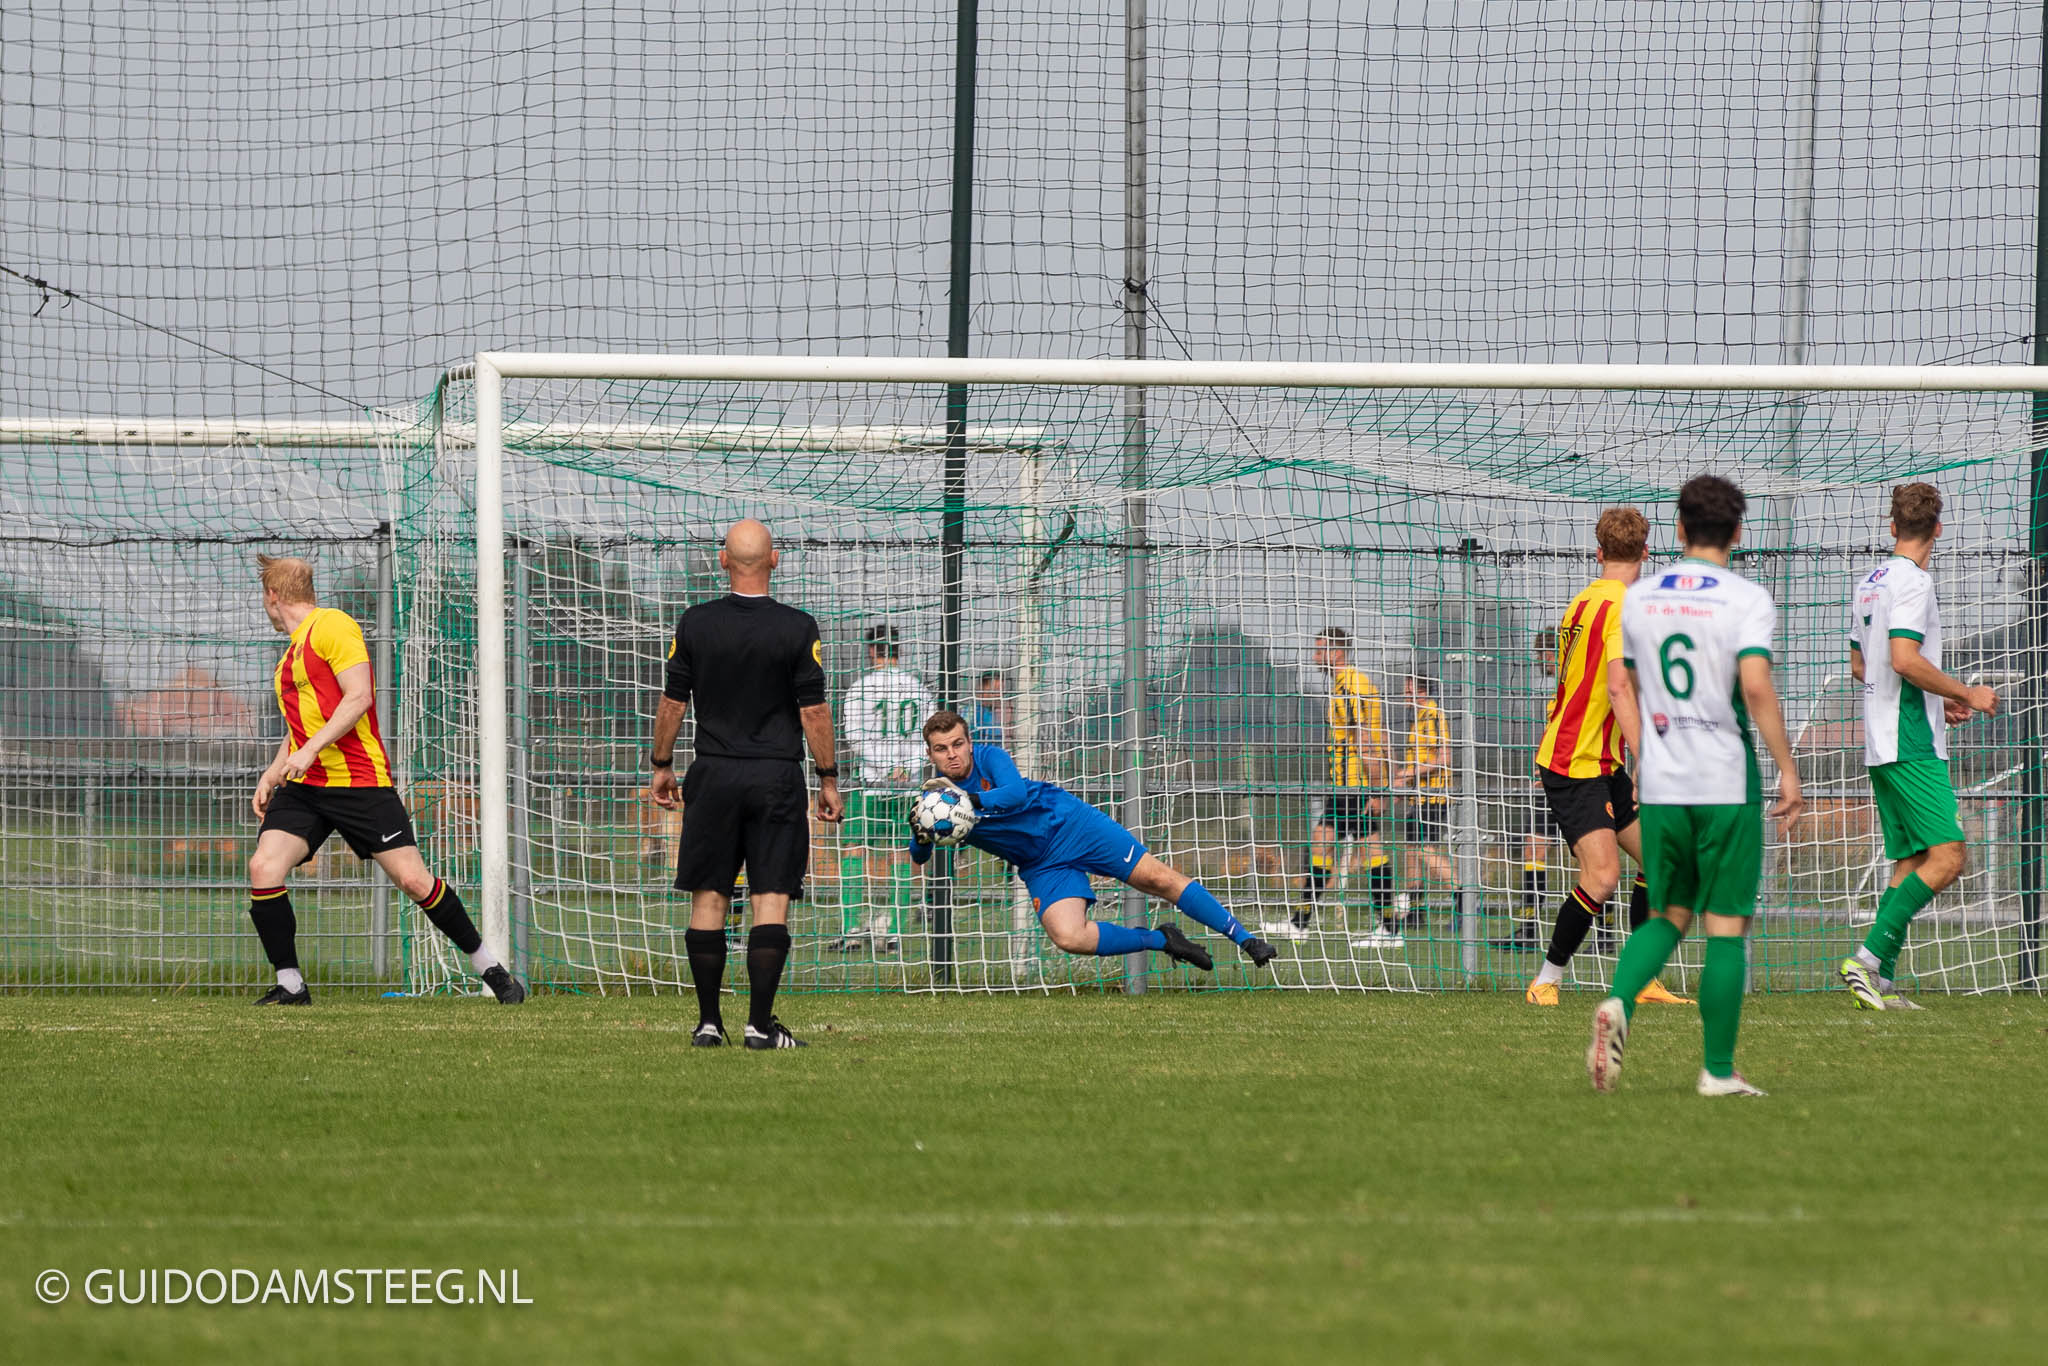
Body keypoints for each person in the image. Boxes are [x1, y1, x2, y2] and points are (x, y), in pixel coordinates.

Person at [1586, 476, 1804, 1098]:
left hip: (1661, 781)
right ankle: (1717, 1071)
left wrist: (1645, 752)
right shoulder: (1746, 598)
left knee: (1668, 914)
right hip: (1724, 779)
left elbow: (1626, 686)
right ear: (1736, 532)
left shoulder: (1640, 599)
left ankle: (1619, 999)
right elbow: (1755, 686)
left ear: (1678, 528)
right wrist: (1788, 768)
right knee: (1726, 925)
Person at [246, 555, 523, 1005]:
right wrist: (275, 770)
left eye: (264, 596)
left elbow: (359, 697)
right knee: (263, 868)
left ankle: (489, 967)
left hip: (360, 782)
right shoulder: (290, 657)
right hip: (306, 789)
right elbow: (304, 726)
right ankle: (291, 986)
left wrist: (310, 750)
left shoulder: (333, 625)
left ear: (272, 595)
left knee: (414, 880)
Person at [650, 520, 843, 1050]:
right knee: (770, 897)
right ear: (774, 560)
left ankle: (709, 1024)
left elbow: (673, 702)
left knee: (709, 896)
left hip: (713, 774)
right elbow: (814, 712)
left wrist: (661, 763)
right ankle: (759, 1026)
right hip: (775, 777)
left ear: (723, 561)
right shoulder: (798, 627)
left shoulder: (695, 622)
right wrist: (828, 778)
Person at [911, 711, 1277, 970]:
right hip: (1041, 863)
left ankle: (1247, 940)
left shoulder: (990, 758)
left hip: (1070, 824)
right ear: (930, 754)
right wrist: (922, 833)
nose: (952, 754)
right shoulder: (934, 802)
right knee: (1069, 937)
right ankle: (1163, 940)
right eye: (942, 749)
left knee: (1157, 879)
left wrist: (969, 801)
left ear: (969, 743)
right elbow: (921, 854)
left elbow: (1016, 793)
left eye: (958, 744)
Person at [1838, 483, 1998, 1011]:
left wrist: (1938, 700)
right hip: (1909, 741)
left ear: (1892, 527)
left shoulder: (1869, 582)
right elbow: (1904, 659)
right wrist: (1966, 693)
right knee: (1949, 856)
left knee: (1910, 862)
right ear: (1938, 529)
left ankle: (1881, 980)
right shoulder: (1915, 581)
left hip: (1881, 739)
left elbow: (1862, 666)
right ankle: (1865, 960)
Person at [1527, 508, 1688, 1008]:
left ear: (1599, 553)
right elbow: (1618, 688)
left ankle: (1641, 979)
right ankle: (1545, 981)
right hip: (1575, 761)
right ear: (1646, 553)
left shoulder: (1581, 603)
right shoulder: (1624, 607)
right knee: (1601, 876)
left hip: (1599, 760)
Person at [1265, 627, 1392, 942]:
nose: (1315, 657)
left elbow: (1366, 740)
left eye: (1320, 650)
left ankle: (1389, 928)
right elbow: (1383, 736)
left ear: (1336, 652)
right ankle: (1301, 923)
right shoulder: (1352, 683)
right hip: (1347, 786)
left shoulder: (1350, 686)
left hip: (1355, 785)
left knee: (1367, 852)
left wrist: (1379, 790)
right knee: (1327, 845)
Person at [832, 625, 935, 954]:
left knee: (855, 848)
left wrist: (883, 768)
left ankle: (851, 929)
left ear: (870, 651)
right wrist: (907, 768)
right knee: (901, 853)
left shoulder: (861, 687)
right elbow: (930, 736)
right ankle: (893, 933)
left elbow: (855, 736)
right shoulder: (918, 689)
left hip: (870, 783)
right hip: (908, 785)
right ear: (898, 649)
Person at [1382, 673, 1454, 939]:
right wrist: (1404, 786)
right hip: (1418, 796)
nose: (1405, 695)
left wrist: (1407, 774)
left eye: (1408, 689)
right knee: (1412, 852)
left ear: (1421, 691)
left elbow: (1443, 758)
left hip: (1433, 797)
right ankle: (1414, 911)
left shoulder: (1433, 715)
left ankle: (1464, 896)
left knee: (1424, 850)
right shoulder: (1418, 718)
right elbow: (1420, 758)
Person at [972, 669, 1010, 747]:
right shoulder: (969, 712)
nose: (999, 695)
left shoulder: (996, 714)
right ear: (981, 688)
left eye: (1002, 690)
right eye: (996, 690)